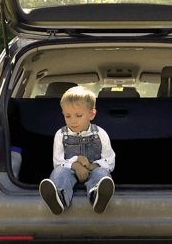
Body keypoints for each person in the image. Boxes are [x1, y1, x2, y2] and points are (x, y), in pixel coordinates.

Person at [40, 86, 116, 215]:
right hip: (69, 171)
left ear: (92, 114)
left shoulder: (100, 134)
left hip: (93, 170)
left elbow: (109, 161)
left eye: (78, 115)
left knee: (101, 173)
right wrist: (75, 164)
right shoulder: (61, 135)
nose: (72, 121)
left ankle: (98, 196)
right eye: (67, 116)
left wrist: (91, 166)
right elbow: (58, 162)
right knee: (59, 172)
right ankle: (58, 198)